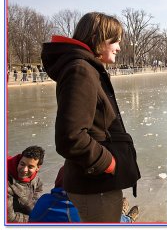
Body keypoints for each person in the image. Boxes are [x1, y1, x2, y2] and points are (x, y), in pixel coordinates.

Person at [41, 12, 141, 222]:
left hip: (98, 184)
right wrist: (108, 163)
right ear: (99, 38)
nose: (119, 47)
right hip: (96, 186)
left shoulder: (86, 68)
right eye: (116, 41)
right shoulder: (81, 70)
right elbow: (70, 137)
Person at [7, 145, 45, 222]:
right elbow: (8, 218)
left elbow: (39, 188)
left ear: (37, 168)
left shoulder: (35, 178)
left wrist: (33, 207)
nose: (24, 170)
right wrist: (34, 219)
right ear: (19, 160)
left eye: (30, 167)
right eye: (22, 164)